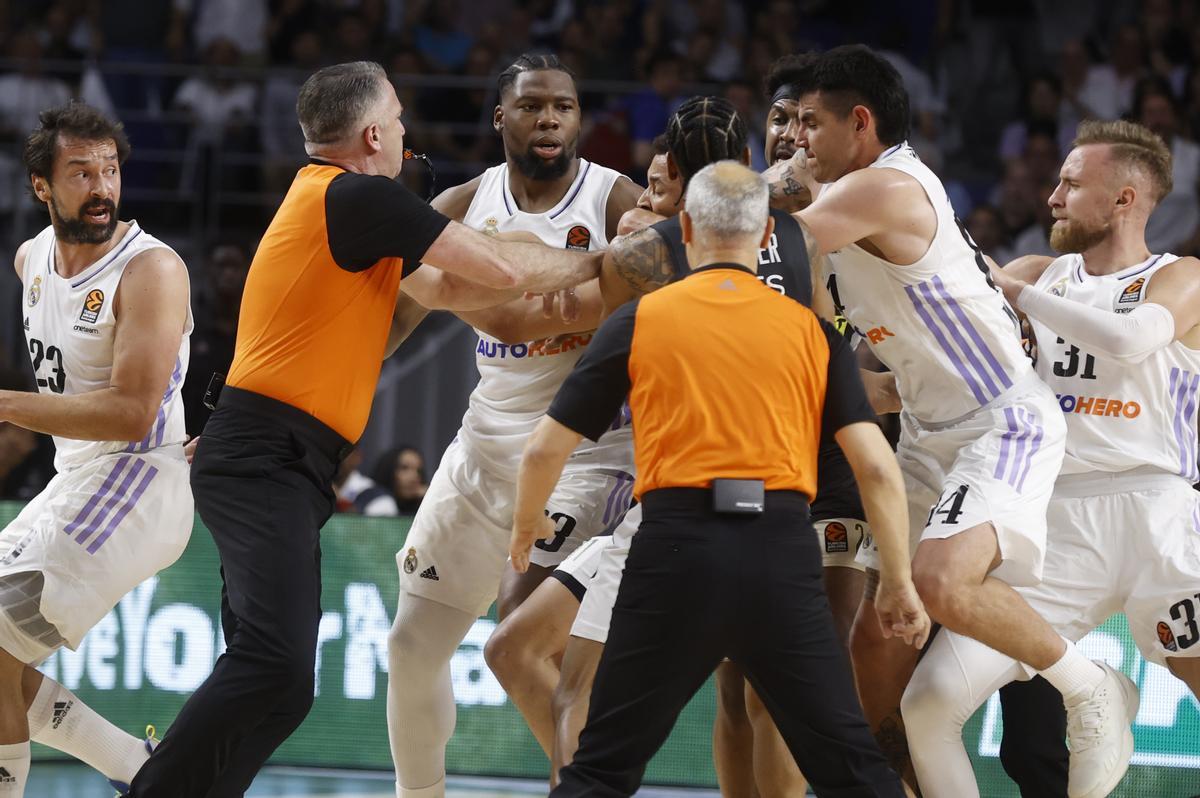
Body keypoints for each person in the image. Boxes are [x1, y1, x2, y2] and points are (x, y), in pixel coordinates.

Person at [126, 60, 606, 798]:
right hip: (265, 455)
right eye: (401, 120)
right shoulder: (358, 198)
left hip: (275, 454)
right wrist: (609, 262)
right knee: (273, 666)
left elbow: (448, 289)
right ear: (375, 133)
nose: (409, 132)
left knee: (282, 684)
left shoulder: (335, 207)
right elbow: (498, 270)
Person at [762, 45, 1136, 793]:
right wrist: (875, 386)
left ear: (859, 123)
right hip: (930, 434)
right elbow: (821, 314)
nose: (795, 140)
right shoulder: (847, 202)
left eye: (810, 123)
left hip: (1002, 422)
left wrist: (744, 195)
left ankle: (1091, 687)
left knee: (934, 582)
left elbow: (764, 250)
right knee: (874, 663)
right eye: (791, 123)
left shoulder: (885, 186)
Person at [511, 160, 928, 797]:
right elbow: (875, 465)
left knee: (600, 769)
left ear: (684, 228)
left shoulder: (641, 318)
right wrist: (897, 580)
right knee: (853, 772)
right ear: (767, 235)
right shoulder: (811, 331)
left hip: (675, 548)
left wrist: (526, 526)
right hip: (780, 552)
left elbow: (544, 449)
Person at [903, 119, 1200, 798]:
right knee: (928, 703)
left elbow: (1132, 342)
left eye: (1071, 182)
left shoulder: (1179, 277)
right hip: (1057, 517)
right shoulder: (1041, 273)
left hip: (1161, 513)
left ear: (1124, 199)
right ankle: (1100, 693)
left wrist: (1016, 295)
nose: (1052, 198)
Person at [386, 53, 641, 798]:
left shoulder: (615, 198)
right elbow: (394, 314)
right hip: (483, 450)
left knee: (519, 633)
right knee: (410, 646)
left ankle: (585, 785)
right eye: (532, 106)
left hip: (585, 454)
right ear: (502, 117)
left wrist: (496, 300)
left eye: (563, 106)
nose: (550, 119)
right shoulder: (466, 203)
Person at [0, 102, 193, 798]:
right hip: (74, 479)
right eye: (81, 172)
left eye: (110, 169)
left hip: (138, 478)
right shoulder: (31, 261)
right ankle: (143, 773)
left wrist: (4, 406)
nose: (102, 186)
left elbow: (133, 410)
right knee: (4, 666)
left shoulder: (151, 270)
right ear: (41, 186)